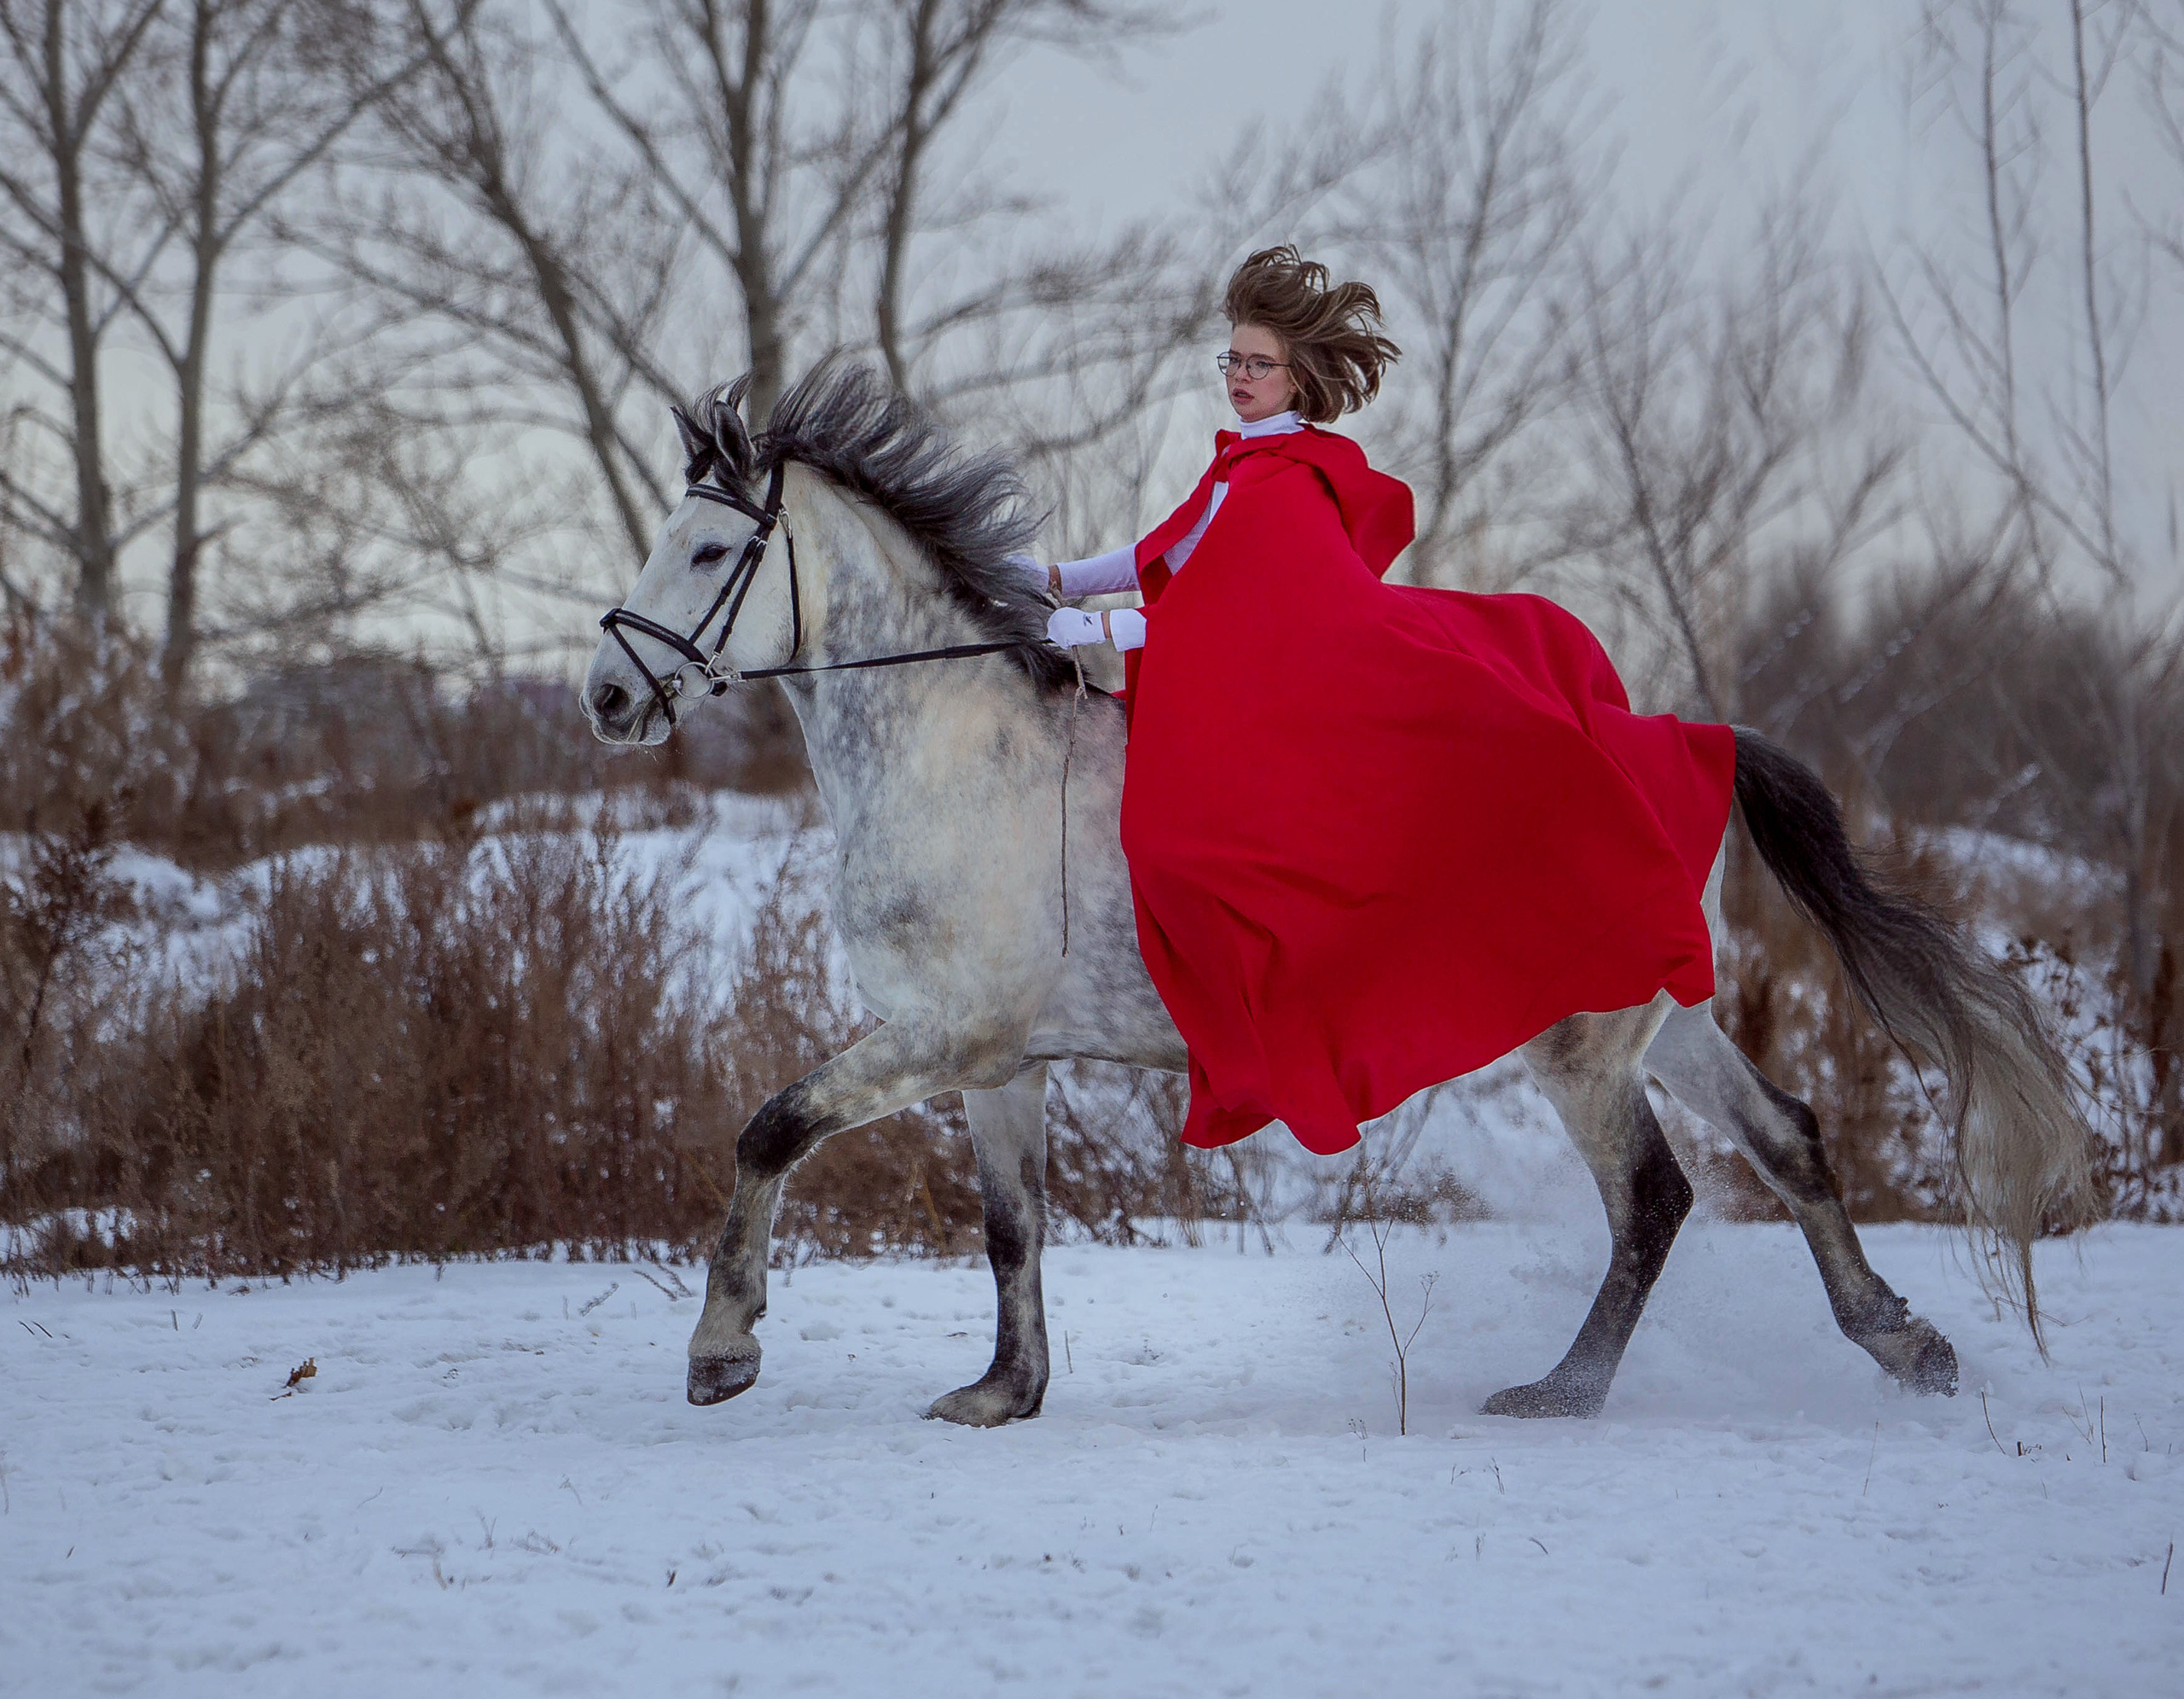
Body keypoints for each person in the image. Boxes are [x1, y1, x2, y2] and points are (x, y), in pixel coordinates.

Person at [1024, 247, 1736, 1156]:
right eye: (1231, 359)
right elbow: (1164, 553)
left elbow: (1238, 618)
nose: (1238, 376)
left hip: (1285, 706)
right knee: (1160, 839)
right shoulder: (1240, 466)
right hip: (1227, 704)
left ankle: (1279, 1027)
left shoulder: (1292, 482)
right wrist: (1055, 578)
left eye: (1258, 363)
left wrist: (1098, 629)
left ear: (1298, 376)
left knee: (1176, 846)